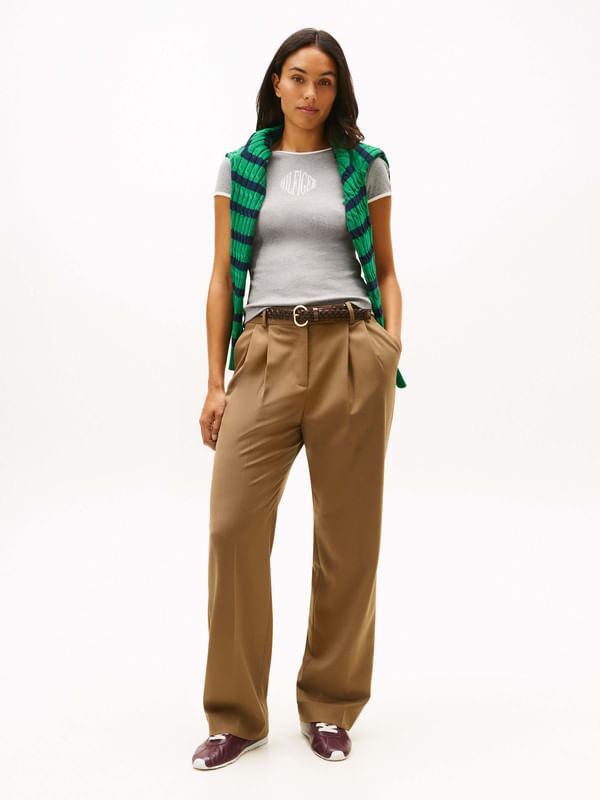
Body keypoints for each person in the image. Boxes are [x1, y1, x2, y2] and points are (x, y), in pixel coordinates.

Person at [193, 27, 406, 771]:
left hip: (350, 346)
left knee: (348, 539)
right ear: (276, 84)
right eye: (297, 77)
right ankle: (236, 716)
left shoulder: (363, 166)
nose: (310, 93)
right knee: (232, 528)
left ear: (337, 89)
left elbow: (386, 268)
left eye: (324, 80)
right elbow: (222, 277)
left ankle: (329, 706)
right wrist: (215, 380)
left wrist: (387, 349)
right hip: (265, 348)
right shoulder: (241, 166)